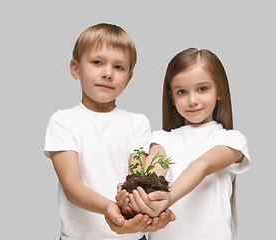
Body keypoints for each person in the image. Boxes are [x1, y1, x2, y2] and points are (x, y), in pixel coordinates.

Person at [44, 23, 174, 240]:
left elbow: (136, 176)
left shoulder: (137, 122)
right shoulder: (63, 121)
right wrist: (108, 206)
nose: (107, 74)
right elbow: (71, 185)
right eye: (97, 63)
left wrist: (132, 204)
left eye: (118, 67)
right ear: (75, 69)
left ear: (128, 78)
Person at [118, 48, 250, 239]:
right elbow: (154, 173)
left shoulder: (231, 140)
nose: (192, 100)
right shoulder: (161, 139)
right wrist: (136, 198)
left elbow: (202, 165)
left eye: (202, 89)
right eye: (182, 92)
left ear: (219, 90)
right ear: (172, 97)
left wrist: (168, 197)